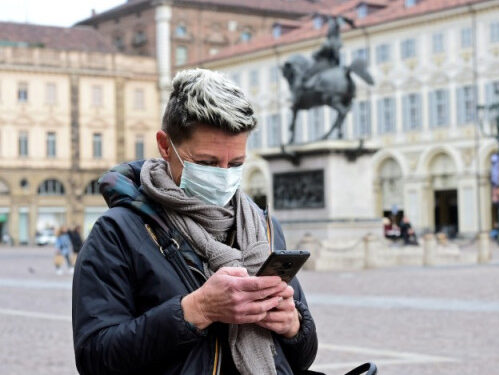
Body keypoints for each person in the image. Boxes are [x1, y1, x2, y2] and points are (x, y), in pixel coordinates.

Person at [72, 69, 317, 375]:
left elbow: (303, 357)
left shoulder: (263, 225)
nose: (224, 175)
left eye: (236, 164)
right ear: (165, 146)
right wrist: (197, 310)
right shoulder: (117, 233)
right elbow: (95, 358)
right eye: (207, 163)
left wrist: (294, 326)